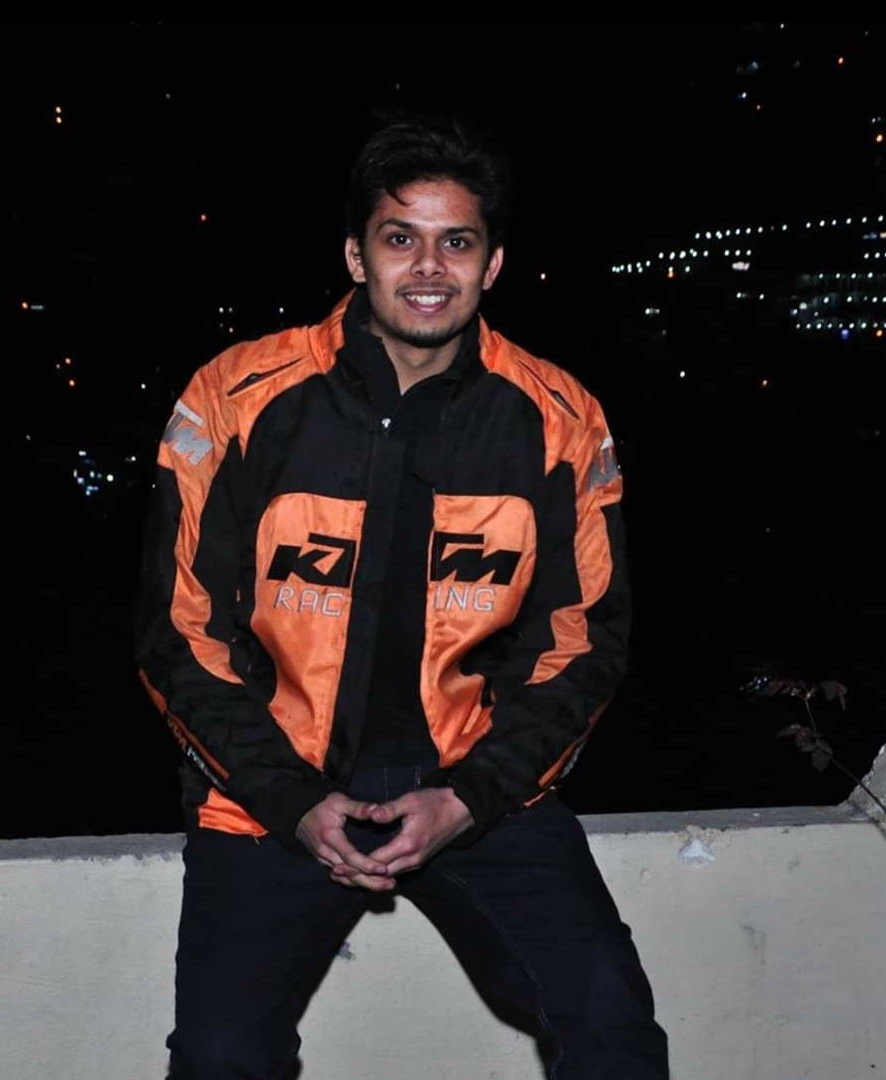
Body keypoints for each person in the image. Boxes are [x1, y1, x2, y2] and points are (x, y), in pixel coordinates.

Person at [136, 113, 669, 1079]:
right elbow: (180, 635)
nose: (429, 267)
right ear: (357, 256)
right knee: (220, 1060)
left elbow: (583, 644)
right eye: (400, 238)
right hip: (270, 790)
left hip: (477, 782)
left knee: (612, 1026)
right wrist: (293, 800)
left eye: (456, 242)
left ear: (492, 265)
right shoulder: (237, 396)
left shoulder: (558, 420)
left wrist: (470, 798)